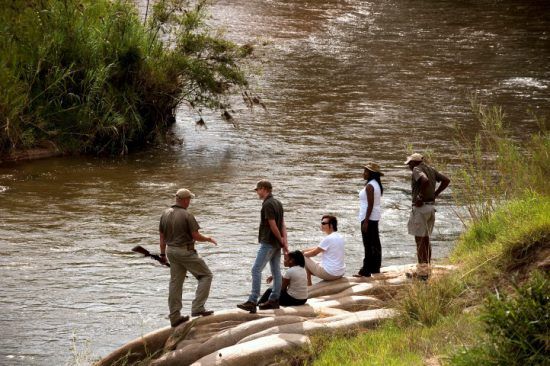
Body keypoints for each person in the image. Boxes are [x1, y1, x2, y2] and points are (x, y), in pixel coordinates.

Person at [159, 188, 217, 327]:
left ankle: (174, 316)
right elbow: (195, 236)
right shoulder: (187, 215)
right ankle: (198, 308)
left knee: (175, 284)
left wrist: (162, 254)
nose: (190, 201)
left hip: (171, 251)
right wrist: (208, 238)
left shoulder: (165, 214)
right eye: (189, 199)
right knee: (206, 275)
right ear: (185, 200)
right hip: (185, 252)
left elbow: (162, 237)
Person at [237, 180, 288, 313]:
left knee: (256, 270)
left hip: (269, 242)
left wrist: (280, 241)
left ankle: (253, 300)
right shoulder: (278, 202)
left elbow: (273, 225)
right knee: (276, 271)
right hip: (276, 244)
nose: (257, 192)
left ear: (264, 189)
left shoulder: (268, 204)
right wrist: (283, 242)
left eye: (258, 189)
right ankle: (274, 300)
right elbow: (282, 224)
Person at [405, 153, 450, 279]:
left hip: (421, 209)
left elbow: (424, 180)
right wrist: (435, 194)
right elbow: (446, 180)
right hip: (430, 208)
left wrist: (419, 196)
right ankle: (427, 267)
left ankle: (422, 272)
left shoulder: (417, 169)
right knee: (426, 239)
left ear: (414, 163)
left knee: (419, 240)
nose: (409, 166)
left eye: (409, 163)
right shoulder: (431, 169)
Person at [354, 162, 384, 278]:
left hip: (369, 217)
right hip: (374, 217)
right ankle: (375, 268)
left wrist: (366, 221)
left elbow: (370, 205)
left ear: (371, 174)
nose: (363, 173)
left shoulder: (370, 186)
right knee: (375, 243)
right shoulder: (376, 184)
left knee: (368, 244)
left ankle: (365, 270)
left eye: (366, 171)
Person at [303, 215, 345, 286]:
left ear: (331, 225)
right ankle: (309, 283)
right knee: (305, 255)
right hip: (340, 272)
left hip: (330, 274)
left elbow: (314, 253)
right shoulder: (340, 236)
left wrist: (302, 254)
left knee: (303, 258)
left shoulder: (328, 239)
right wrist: (303, 251)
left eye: (323, 223)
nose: (321, 225)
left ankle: (309, 284)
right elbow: (319, 248)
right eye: (321, 223)